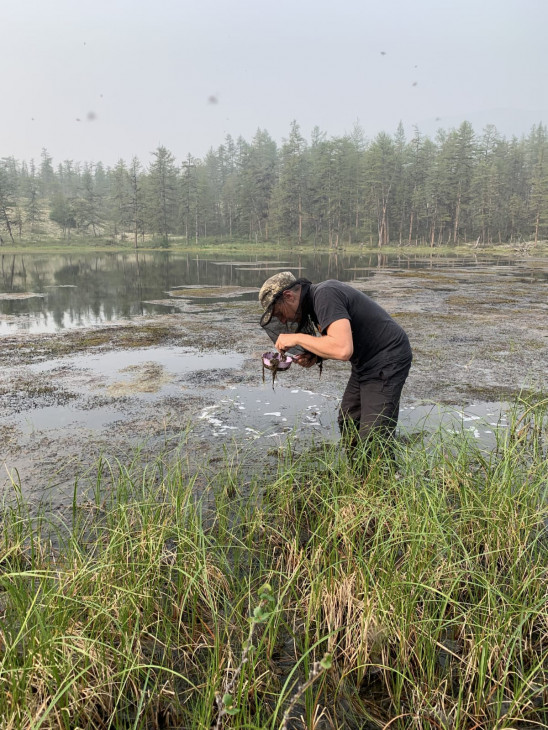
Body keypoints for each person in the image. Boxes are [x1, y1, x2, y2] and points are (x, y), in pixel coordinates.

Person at [258, 271, 412, 464]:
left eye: (279, 314)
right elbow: (339, 340)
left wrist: (295, 338)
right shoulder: (314, 304)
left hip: (388, 358)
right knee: (349, 419)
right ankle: (360, 473)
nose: (282, 321)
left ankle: (383, 483)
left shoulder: (325, 295)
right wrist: (315, 355)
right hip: (364, 362)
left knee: (375, 435)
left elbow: (343, 349)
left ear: (288, 296)